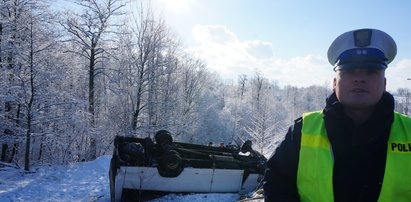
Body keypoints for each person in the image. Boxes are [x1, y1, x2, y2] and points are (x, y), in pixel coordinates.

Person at [263, 28, 411, 202]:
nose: (360, 78)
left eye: (371, 71)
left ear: (384, 83)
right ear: (334, 83)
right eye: (349, 71)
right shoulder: (301, 131)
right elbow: (277, 184)